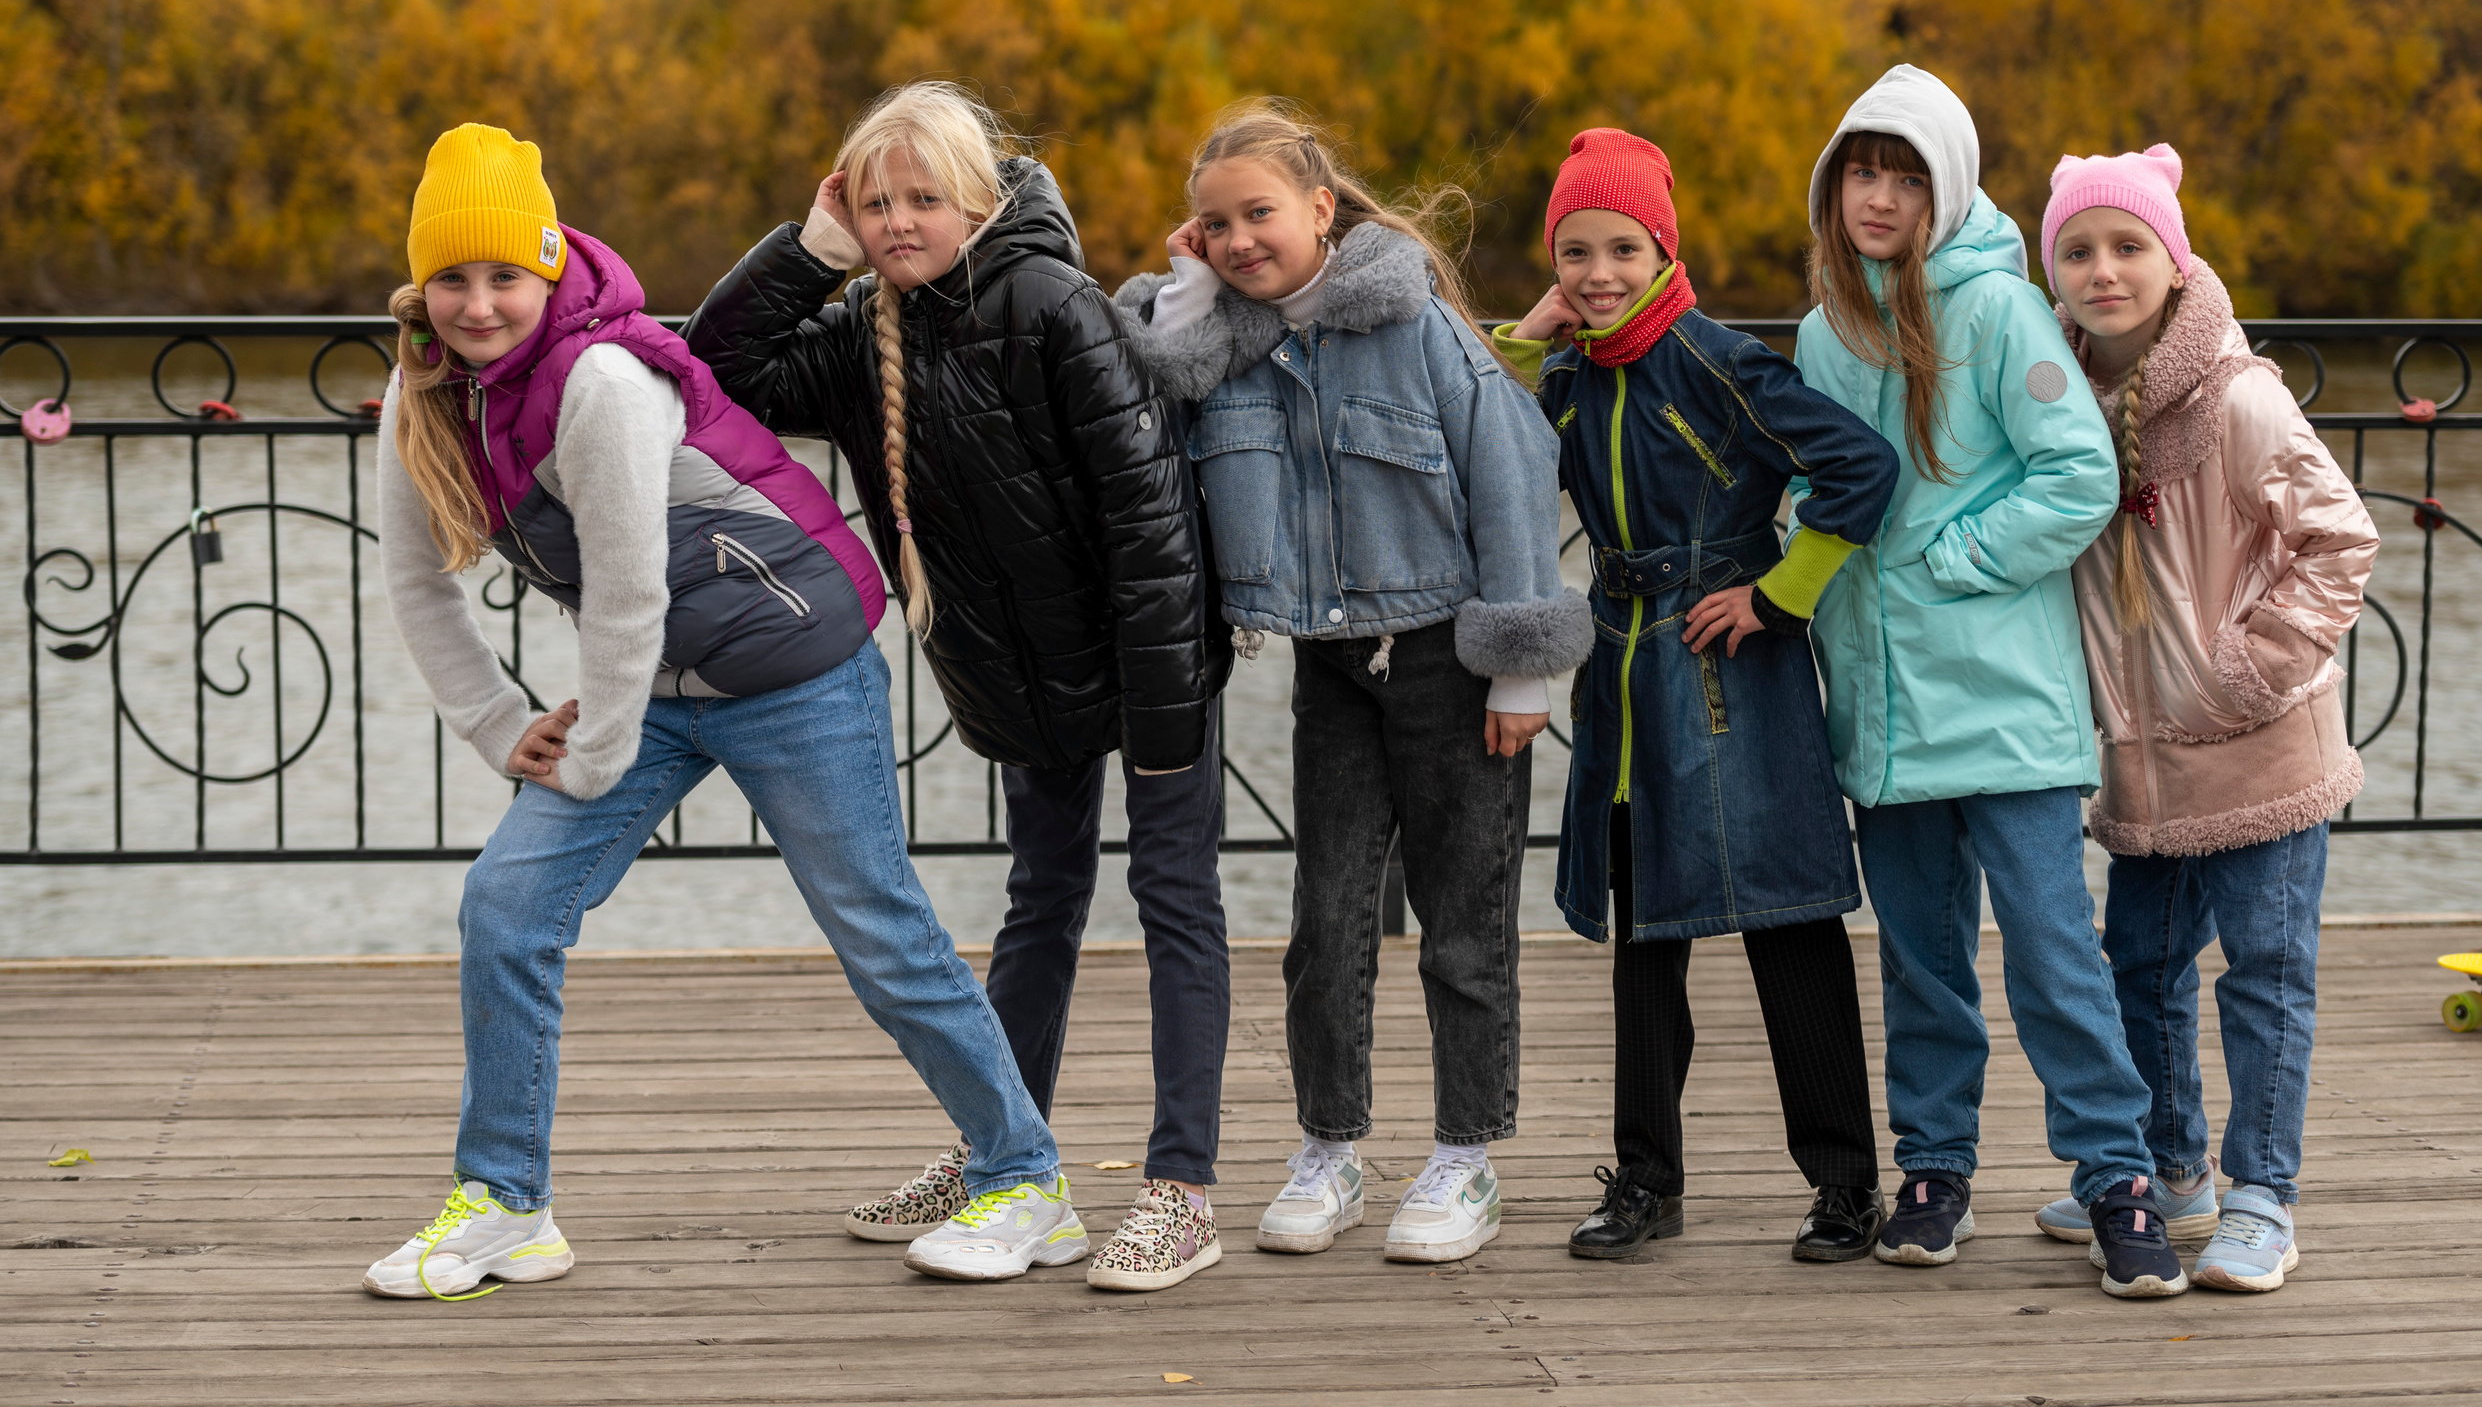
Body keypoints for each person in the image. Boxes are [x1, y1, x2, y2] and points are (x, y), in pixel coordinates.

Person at [366, 123, 1076, 1298]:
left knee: (878, 933)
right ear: (420, 286)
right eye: (452, 278)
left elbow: (632, 581)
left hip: (796, 666)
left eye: (505, 275)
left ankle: (1026, 1180)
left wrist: (591, 756)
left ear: (548, 266)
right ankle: (505, 1206)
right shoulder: (424, 389)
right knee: (507, 905)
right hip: (652, 681)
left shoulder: (601, 381)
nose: (479, 305)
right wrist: (500, 727)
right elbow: (412, 582)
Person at [683, 82, 1233, 1293]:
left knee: (1174, 900)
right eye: (874, 203)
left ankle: (1180, 1189)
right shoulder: (867, 329)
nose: (898, 221)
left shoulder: (1051, 307)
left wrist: (1158, 721)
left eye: (924, 197)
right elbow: (708, 373)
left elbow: (1151, 527)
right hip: (1019, 675)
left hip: (1148, 666)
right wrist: (806, 251)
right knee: (1041, 901)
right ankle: (1007, 1159)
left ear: (979, 200)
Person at [1114, 102, 1589, 1266]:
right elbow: (1153, 396)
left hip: (1450, 662)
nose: (1236, 240)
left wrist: (1521, 671)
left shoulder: (1414, 322)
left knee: (1461, 927)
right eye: (1212, 224)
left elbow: (1514, 470)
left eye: (1259, 214)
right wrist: (1183, 293)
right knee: (1324, 926)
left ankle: (1464, 1156)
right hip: (1332, 667)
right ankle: (1330, 1146)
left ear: (1322, 210)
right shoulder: (1227, 345)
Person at [1791, 66, 2189, 1297]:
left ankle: (2116, 1177)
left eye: (1905, 174)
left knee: (2050, 949)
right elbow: (1816, 490)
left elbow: (2074, 473)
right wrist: (1785, 584)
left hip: (2006, 706)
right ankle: (1936, 1167)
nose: (1878, 195)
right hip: (1884, 709)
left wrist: (1952, 561)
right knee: (1917, 956)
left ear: (1945, 186)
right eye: (1861, 170)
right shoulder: (1819, 330)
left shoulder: (2005, 312)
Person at [1491, 129, 1901, 1263]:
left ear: (1664, 249)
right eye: (1574, 252)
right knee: (1644, 940)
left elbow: (1860, 467)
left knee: (1790, 924)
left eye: (1623, 246)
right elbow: (1490, 455)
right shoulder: (1569, 373)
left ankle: (1842, 1185)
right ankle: (1644, 1182)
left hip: (1736, 668)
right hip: (1623, 671)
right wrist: (1528, 341)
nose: (1598, 274)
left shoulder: (1720, 361)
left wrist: (1780, 594)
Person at [2038, 145, 2377, 1292]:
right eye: (2077, 251)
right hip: (2144, 762)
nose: (2103, 271)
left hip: (2260, 742)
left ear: (2173, 264)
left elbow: (2340, 541)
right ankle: (2170, 1163)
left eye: (2128, 246)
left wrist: (2243, 669)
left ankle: (2261, 1195)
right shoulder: (2059, 403)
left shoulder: (2238, 397)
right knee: (2139, 964)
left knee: (2266, 974)